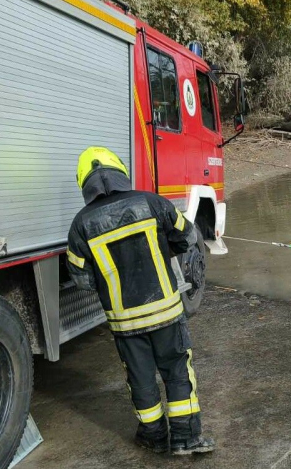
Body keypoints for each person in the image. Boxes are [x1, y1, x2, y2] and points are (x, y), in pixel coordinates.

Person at [65, 147, 214, 456]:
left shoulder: (80, 225)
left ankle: (154, 437)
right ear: (120, 171)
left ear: (84, 182)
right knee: (176, 371)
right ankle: (186, 439)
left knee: (140, 379)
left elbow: (80, 278)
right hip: (166, 311)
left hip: (125, 321)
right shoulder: (151, 201)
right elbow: (187, 236)